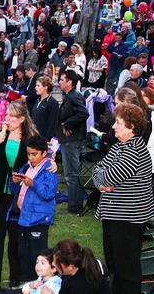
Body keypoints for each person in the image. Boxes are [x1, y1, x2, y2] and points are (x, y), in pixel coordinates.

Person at [92, 103, 154, 294]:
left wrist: (103, 179)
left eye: (118, 123)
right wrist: (102, 184)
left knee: (126, 270)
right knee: (114, 267)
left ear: (132, 127)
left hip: (127, 219)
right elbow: (96, 172)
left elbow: (109, 176)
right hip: (113, 216)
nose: (113, 127)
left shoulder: (134, 151)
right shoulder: (120, 146)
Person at [0, 101, 40, 291]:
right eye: (6, 115)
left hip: (18, 195)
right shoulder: (0, 135)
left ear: (22, 119)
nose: (7, 119)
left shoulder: (31, 138)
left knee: (16, 238)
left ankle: (17, 278)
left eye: (12, 117)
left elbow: (43, 158)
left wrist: (52, 164)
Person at [6, 135, 58, 283]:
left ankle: (40, 283)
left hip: (39, 219)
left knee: (37, 254)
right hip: (24, 217)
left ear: (43, 153)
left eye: (34, 154)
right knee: (23, 252)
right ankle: (25, 282)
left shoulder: (49, 169)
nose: (31, 157)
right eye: (28, 154)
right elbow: (16, 190)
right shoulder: (27, 166)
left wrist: (33, 183)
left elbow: (49, 193)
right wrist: (15, 182)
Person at [57, 70, 89, 215]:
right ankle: (73, 204)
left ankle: (74, 206)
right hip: (68, 139)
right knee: (70, 174)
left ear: (70, 82)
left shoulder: (74, 96)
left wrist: (68, 124)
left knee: (71, 174)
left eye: (62, 80)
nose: (59, 82)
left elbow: (84, 113)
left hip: (72, 140)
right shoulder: (69, 96)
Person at [31, 75, 59, 141]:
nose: (35, 88)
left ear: (45, 87)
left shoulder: (53, 103)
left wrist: (47, 140)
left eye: (38, 86)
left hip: (44, 140)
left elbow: (52, 124)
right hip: (34, 137)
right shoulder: (37, 100)